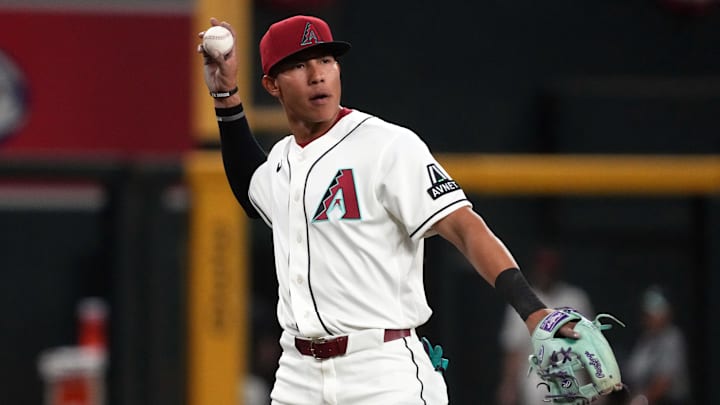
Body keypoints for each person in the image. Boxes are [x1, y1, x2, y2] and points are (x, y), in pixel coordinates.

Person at [197, 15, 587, 404]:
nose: (317, 75)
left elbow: (465, 228)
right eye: (299, 65)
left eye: (327, 61)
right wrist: (226, 95)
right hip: (297, 375)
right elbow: (251, 186)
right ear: (271, 84)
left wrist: (533, 310)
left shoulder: (387, 145)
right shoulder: (282, 160)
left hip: (381, 370)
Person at [496, 246, 595, 405]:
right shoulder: (521, 301)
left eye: (549, 268)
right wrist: (508, 385)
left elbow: (589, 345)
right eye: (542, 267)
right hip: (536, 376)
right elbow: (514, 349)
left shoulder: (575, 298)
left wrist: (597, 381)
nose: (545, 273)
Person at [625, 285, 691, 405]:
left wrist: (640, 401)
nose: (651, 318)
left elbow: (664, 381)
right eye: (648, 314)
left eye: (657, 313)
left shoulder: (673, 338)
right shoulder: (645, 339)